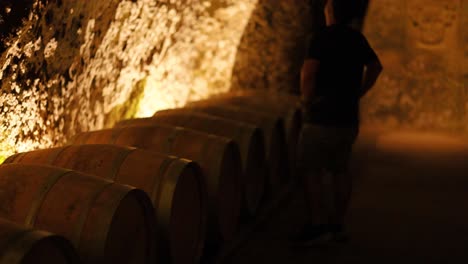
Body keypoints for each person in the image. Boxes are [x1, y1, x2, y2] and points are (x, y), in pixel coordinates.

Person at [294, 0, 382, 245]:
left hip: (321, 116)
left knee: (311, 171)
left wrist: (306, 101)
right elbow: (376, 67)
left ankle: (317, 225)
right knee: (340, 171)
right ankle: (337, 225)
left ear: (330, 12)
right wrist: (360, 91)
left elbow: (309, 72)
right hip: (348, 117)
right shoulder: (356, 38)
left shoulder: (320, 37)